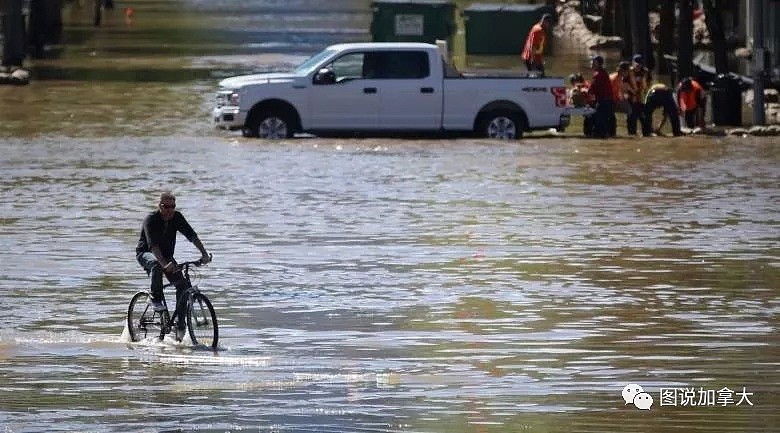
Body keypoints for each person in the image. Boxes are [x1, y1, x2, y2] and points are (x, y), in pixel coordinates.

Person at [136, 191, 211, 340]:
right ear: (160, 206)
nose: (170, 210)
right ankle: (155, 298)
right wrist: (164, 264)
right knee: (157, 265)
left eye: (173, 206)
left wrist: (204, 254)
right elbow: (153, 246)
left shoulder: (177, 217)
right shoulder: (151, 220)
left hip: (167, 257)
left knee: (183, 286)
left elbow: (191, 235)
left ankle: (180, 325)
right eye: (166, 206)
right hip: (146, 253)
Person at [586, 55, 615, 139]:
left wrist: (585, 93)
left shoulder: (598, 75)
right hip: (608, 103)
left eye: (593, 62)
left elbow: (591, 90)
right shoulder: (604, 73)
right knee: (604, 129)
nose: (591, 64)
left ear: (598, 64)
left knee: (599, 130)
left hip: (603, 103)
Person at [627, 54, 651, 136]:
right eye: (636, 63)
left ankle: (646, 134)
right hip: (631, 97)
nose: (638, 65)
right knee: (632, 117)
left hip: (642, 98)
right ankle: (632, 135)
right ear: (633, 63)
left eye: (639, 63)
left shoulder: (645, 72)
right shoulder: (628, 72)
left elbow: (648, 85)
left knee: (644, 118)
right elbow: (624, 85)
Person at [609, 61, 632, 137]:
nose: (628, 73)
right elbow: (612, 93)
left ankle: (630, 131)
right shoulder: (615, 78)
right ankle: (631, 131)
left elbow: (619, 91)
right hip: (610, 101)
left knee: (629, 109)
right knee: (629, 110)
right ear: (623, 71)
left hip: (612, 100)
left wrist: (623, 98)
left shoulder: (618, 77)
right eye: (628, 71)